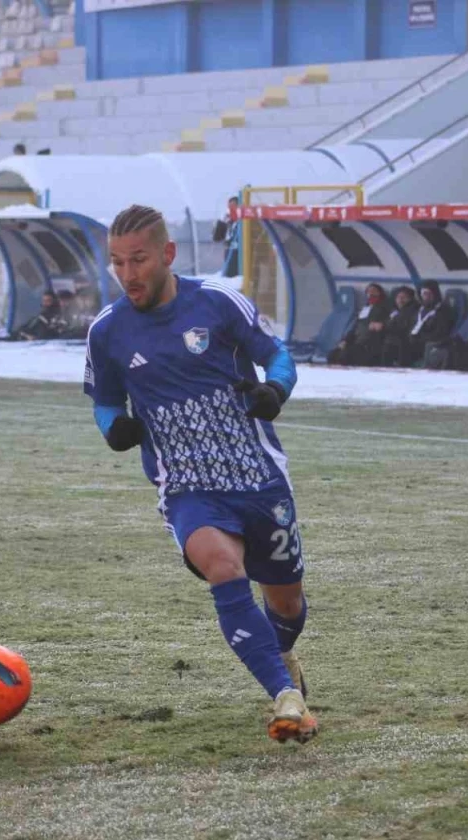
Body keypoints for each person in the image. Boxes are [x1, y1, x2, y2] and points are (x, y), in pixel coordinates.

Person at [85, 204, 317, 744]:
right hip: (187, 487)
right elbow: (103, 400)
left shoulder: (217, 303)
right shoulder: (108, 331)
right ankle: (285, 696)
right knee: (223, 568)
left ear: (167, 254)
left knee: (286, 603)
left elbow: (278, 355)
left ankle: (281, 652)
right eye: (117, 263)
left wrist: (273, 390)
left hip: (257, 478)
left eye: (138, 260)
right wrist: (113, 428)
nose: (128, 274)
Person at [327, 282, 391, 366]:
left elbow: (391, 321)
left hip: (370, 343)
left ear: (380, 293)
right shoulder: (365, 309)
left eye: (374, 291)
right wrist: (345, 340)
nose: (371, 293)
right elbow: (355, 327)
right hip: (357, 341)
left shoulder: (386, 307)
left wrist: (382, 324)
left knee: (345, 355)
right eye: (368, 291)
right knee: (333, 354)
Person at [379, 286, 419, 367]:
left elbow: (403, 328)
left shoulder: (412, 310)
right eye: (398, 297)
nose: (400, 300)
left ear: (411, 299)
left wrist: (383, 326)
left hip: (406, 340)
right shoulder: (395, 310)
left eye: (404, 297)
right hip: (392, 338)